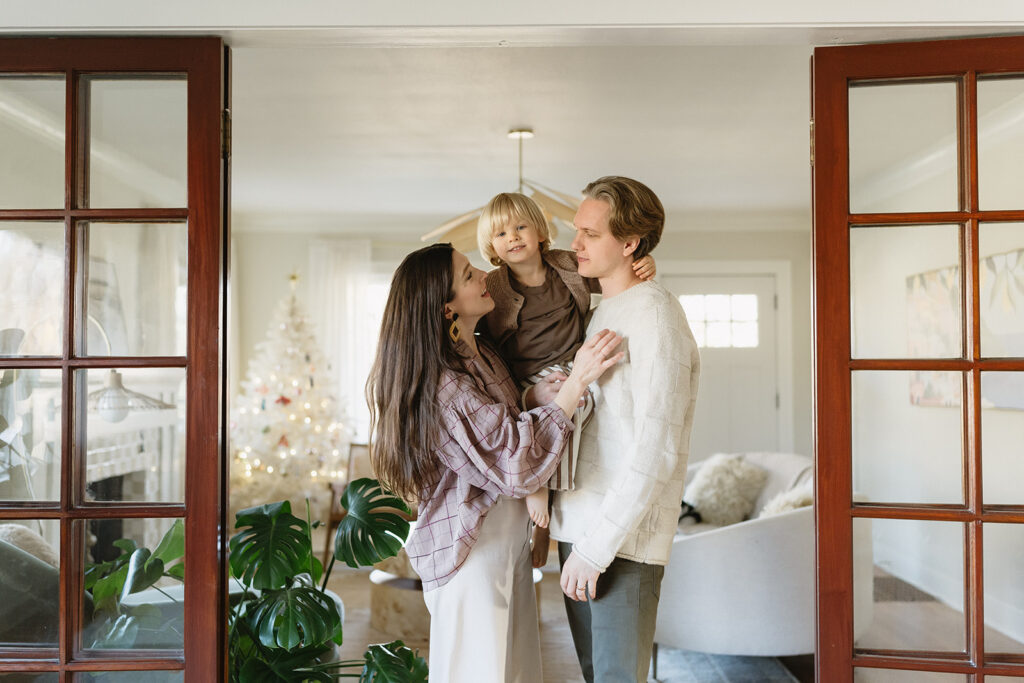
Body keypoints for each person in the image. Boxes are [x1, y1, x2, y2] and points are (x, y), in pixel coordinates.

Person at [365, 242, 623, 683]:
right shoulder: (441, 383)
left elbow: (498, 420)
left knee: (516, 672)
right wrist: (576, 381)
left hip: (507, 544)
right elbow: (512, 463)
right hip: (472, 552)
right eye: (468, 275)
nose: (486, 275)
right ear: (447, 309)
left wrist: (532, 396)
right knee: (479, 674)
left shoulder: (482, 352)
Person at [548, 176, 700, 683]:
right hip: (579, 526)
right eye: (577, 231)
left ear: (629, 243)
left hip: (620, 542)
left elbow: (656, 448)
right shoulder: (598, 311)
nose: (576, 245)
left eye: (590, 234)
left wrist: (595, 550)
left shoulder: (657, 315)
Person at [477, 192, 655, 567]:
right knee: (557, 407)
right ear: (491, 246)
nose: (513, 237)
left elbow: (610, 273)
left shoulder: (565, 265)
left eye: (521, 226)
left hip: (571, 363)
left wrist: (641, 262)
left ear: (540, 232)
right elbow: (478, 334)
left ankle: (545, 523)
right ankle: (537, 483)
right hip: (524, 375)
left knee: (584, 403)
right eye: (501, 234)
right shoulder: (494, 286)